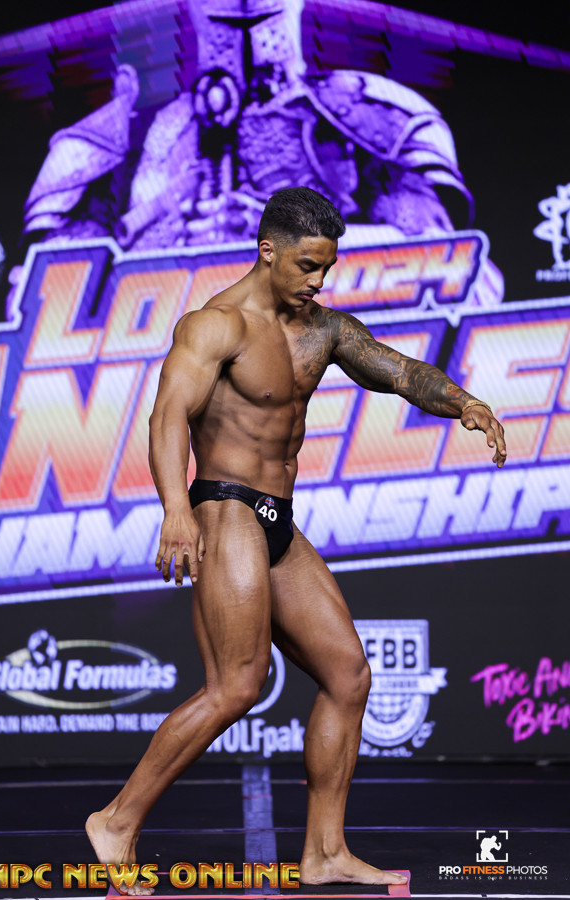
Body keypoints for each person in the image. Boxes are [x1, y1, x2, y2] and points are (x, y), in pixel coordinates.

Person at [86, 186, 507, 893]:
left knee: (348, 674)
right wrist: (175, 511)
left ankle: (324, 852)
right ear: (268, 251)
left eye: (327, 267)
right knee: (237, 685)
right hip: (225, 509)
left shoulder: (324, 330)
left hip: (278, 518)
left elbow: (400, 372)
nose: (318, 280)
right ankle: (116, 821)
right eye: (307, 266)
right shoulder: (215, 326)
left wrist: (462, 401)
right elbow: (167, 418)